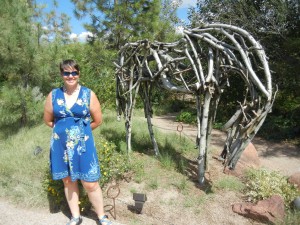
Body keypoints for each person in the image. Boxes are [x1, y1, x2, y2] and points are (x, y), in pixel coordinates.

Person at [43, 59, 112, 225]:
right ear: (61, 75)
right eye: (66, 73)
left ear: (78, 74)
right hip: (61, 145)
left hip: (83, 145)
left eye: (74, 72)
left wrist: (80, 133)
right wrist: (63, 131)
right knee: (68, 180)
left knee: (90, 182)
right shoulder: (54, 95)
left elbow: (97, 120)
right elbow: (48, 120)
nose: (70, 76)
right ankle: (75, 216)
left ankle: (101, 217)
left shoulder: (89, 94)